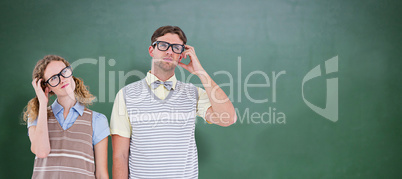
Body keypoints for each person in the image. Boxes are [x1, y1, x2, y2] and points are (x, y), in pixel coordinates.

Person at [111, 25, 237, 178]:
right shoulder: (126, 95)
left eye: (176, 48)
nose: (169, 51)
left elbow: (228, 118)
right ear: (152, 50)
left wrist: (200, 72)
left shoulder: (193, 93)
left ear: (181, 55)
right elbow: (120, 156)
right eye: (163, 45)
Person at [23, 55, 110, 179]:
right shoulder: (37, 117)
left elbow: (101, 174)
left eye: (64, 72)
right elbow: (41, 152)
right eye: (53, 78)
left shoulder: (97, 120)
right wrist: (43, 103)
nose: (62, 79)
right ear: (46, 87)